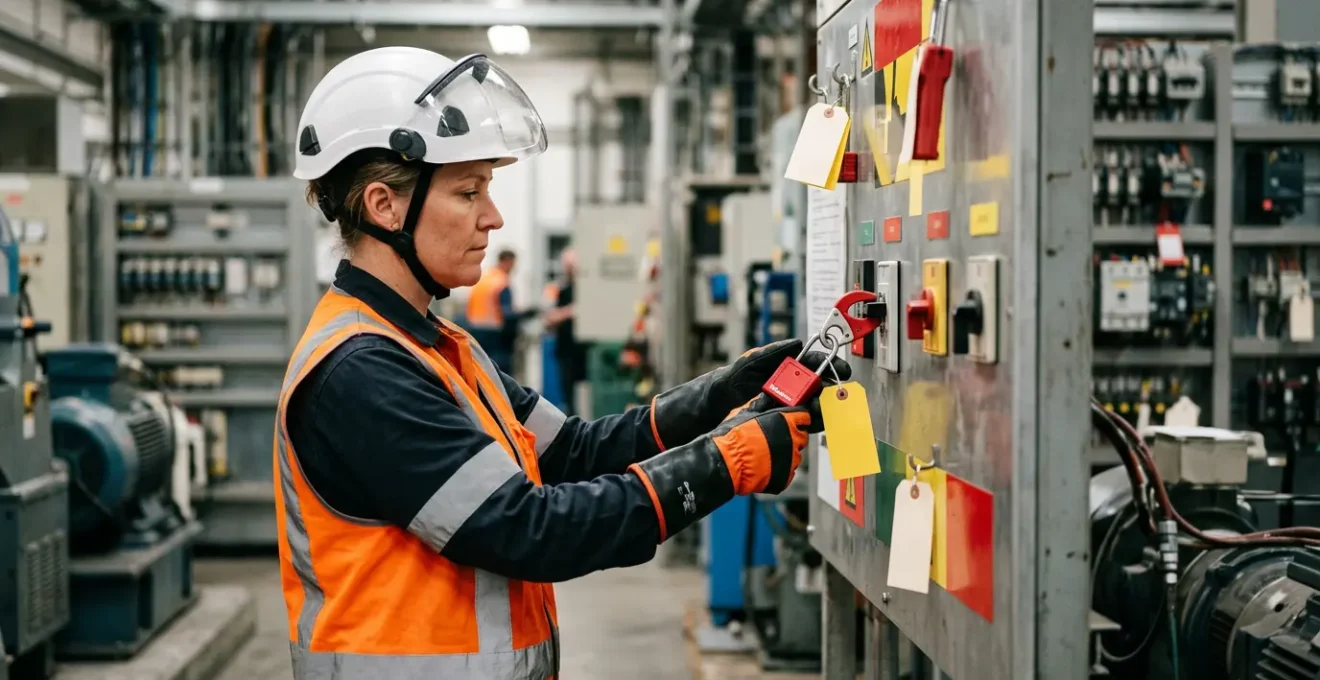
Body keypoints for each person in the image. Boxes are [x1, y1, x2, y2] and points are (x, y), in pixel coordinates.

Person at [279, 46, 850, 680]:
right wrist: (727, 461)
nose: (492, 218)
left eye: (487, 190)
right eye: (468, 192)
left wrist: (720, 395)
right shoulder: (359, 373)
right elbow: (531, 530)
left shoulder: (440, 347)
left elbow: (574, 451)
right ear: (384, 206)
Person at [543, 247, 586, 416]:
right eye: (567, 265)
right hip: (566, 349)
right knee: (568, 395)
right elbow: (549, 318)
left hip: (584, 349)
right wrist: (570, 311)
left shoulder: (586, 290)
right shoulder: (558, 290)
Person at [465, 248, 524, 372]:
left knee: (481, 370)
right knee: (499, 372)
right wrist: (522, 315)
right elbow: (507, 313)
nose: (513, 268)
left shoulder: (484, 278)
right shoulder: (502, 282)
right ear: (507, 262)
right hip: (495, 334)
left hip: (475, 330)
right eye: (513, 264)